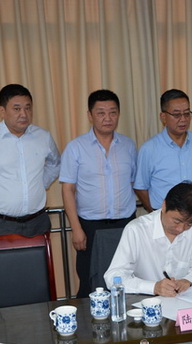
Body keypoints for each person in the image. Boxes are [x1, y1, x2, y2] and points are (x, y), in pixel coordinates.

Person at [59, 90, 137, 298]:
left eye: (113, 112)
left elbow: (133, 182)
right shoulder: (75, 148)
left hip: (125, 225)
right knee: (90, 281)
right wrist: (76, 228)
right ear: (90, 115)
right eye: (101, 113)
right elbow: (67, 189)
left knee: (127, 280)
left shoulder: (128, 146)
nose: (107, 118)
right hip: (90, 226)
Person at [0, 84, 60, 240]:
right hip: (0, 225)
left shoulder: (43, 136)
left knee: (41, 258)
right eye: (17, 109)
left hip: (37, 222)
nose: (24, 114)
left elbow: (55, 164)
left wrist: (39, 184)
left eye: (28, 108)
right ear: (2, 111)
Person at [104, 182, 192, 297]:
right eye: (176, 221)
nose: (181, 229)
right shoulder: (136, 230)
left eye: (188, 224)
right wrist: (153, 287)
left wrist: (188, 280)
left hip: (183, 300)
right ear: (164, 206)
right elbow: (113, 277)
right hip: (144, 300)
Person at [134, 89, 192, 236]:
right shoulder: (149, 149)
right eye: (176, 115)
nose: (183, 119)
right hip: (165, 220)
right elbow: (141, 187)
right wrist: (155, 213)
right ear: (163, 117)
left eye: (187, 114)